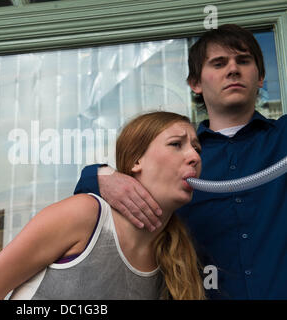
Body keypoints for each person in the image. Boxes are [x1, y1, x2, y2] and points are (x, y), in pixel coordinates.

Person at [74, 24, 287, 299]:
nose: (233, 69)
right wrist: (102, 177)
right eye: (219, 63)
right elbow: (91, 193)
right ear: (195, 83)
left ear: (261, 77)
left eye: (244, 61)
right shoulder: (180, 157)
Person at [0, 111, 205, 300]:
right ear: (136, 161)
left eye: (197, 148)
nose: (194, 156)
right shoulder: (85, 214)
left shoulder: (171, 257)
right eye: (176, 144)